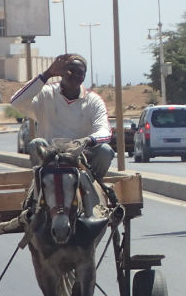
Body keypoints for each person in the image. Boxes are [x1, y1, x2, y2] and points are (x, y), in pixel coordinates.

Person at [9, 53, 113, 214]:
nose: (75, 75)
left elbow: (105, 131)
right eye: (71, 70)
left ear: (84, 76)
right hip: (50, 159)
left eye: (80, 73)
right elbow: (16, 102)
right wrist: (46, 75)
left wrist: (88, 140)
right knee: (36, 144)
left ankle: (94, 192)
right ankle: (37, 197)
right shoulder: (46, 94)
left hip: (81, 158)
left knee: (106, 151)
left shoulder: (93, 100)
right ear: (61, 72)